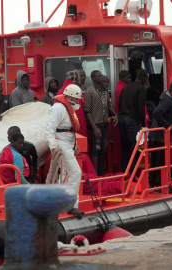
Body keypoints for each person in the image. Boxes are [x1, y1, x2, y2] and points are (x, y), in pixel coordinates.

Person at [45, 84, 84, 216]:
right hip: (60, 143)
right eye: (76, 99)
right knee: (75, 172)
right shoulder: (58, 108)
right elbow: (50, 128)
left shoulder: (68, 108)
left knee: (65, 175)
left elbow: (69, 129)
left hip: (67, 143)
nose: (78, 102)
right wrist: (53, 147)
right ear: (69, 97)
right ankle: (72, 205)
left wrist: (74, 144)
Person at [84, 70, 118, 176]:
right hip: (95, 125)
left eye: (101, 75)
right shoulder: (89, 92)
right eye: (98, 76)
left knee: (103, 149)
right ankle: (95, 175)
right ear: (93, 78)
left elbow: (108, 105)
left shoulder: (105, 91)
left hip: (104, 124)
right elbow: (87, 111)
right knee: (95, 149)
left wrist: (115, 115)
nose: (101, 77)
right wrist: (94, 128)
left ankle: (101, 173)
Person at [149, 81, 172, 188]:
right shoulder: (168, 102)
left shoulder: (165, 99)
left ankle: (152, 183)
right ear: (170, 91)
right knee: (160, 162)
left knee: (154, 161)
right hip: (161, 137)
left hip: (156, 135)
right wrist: (168, 126)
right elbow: (156, 113)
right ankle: (159, 185)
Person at [118, 69, 149, 173]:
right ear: (144, 79)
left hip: (121, 119)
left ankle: (124, 173)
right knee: (134, 149)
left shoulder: (125, 87)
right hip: (131, 120)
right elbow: (140, 108)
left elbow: (119, 105)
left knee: (124, 148)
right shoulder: (141, 88)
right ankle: (132, 175)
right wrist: (144, 126)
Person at [58, 70, 88, 137]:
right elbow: (78, 112)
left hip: (63, 129)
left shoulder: (60, 91)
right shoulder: (75, 91)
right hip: (75, 126)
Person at [113, 70, 131, 172]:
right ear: (123, 78)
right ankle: (126, 170)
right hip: (126, 120)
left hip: (121, 119)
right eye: (128, 78)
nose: (130, 80)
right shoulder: (123, 89)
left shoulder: (119, 88)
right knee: (127, 147)